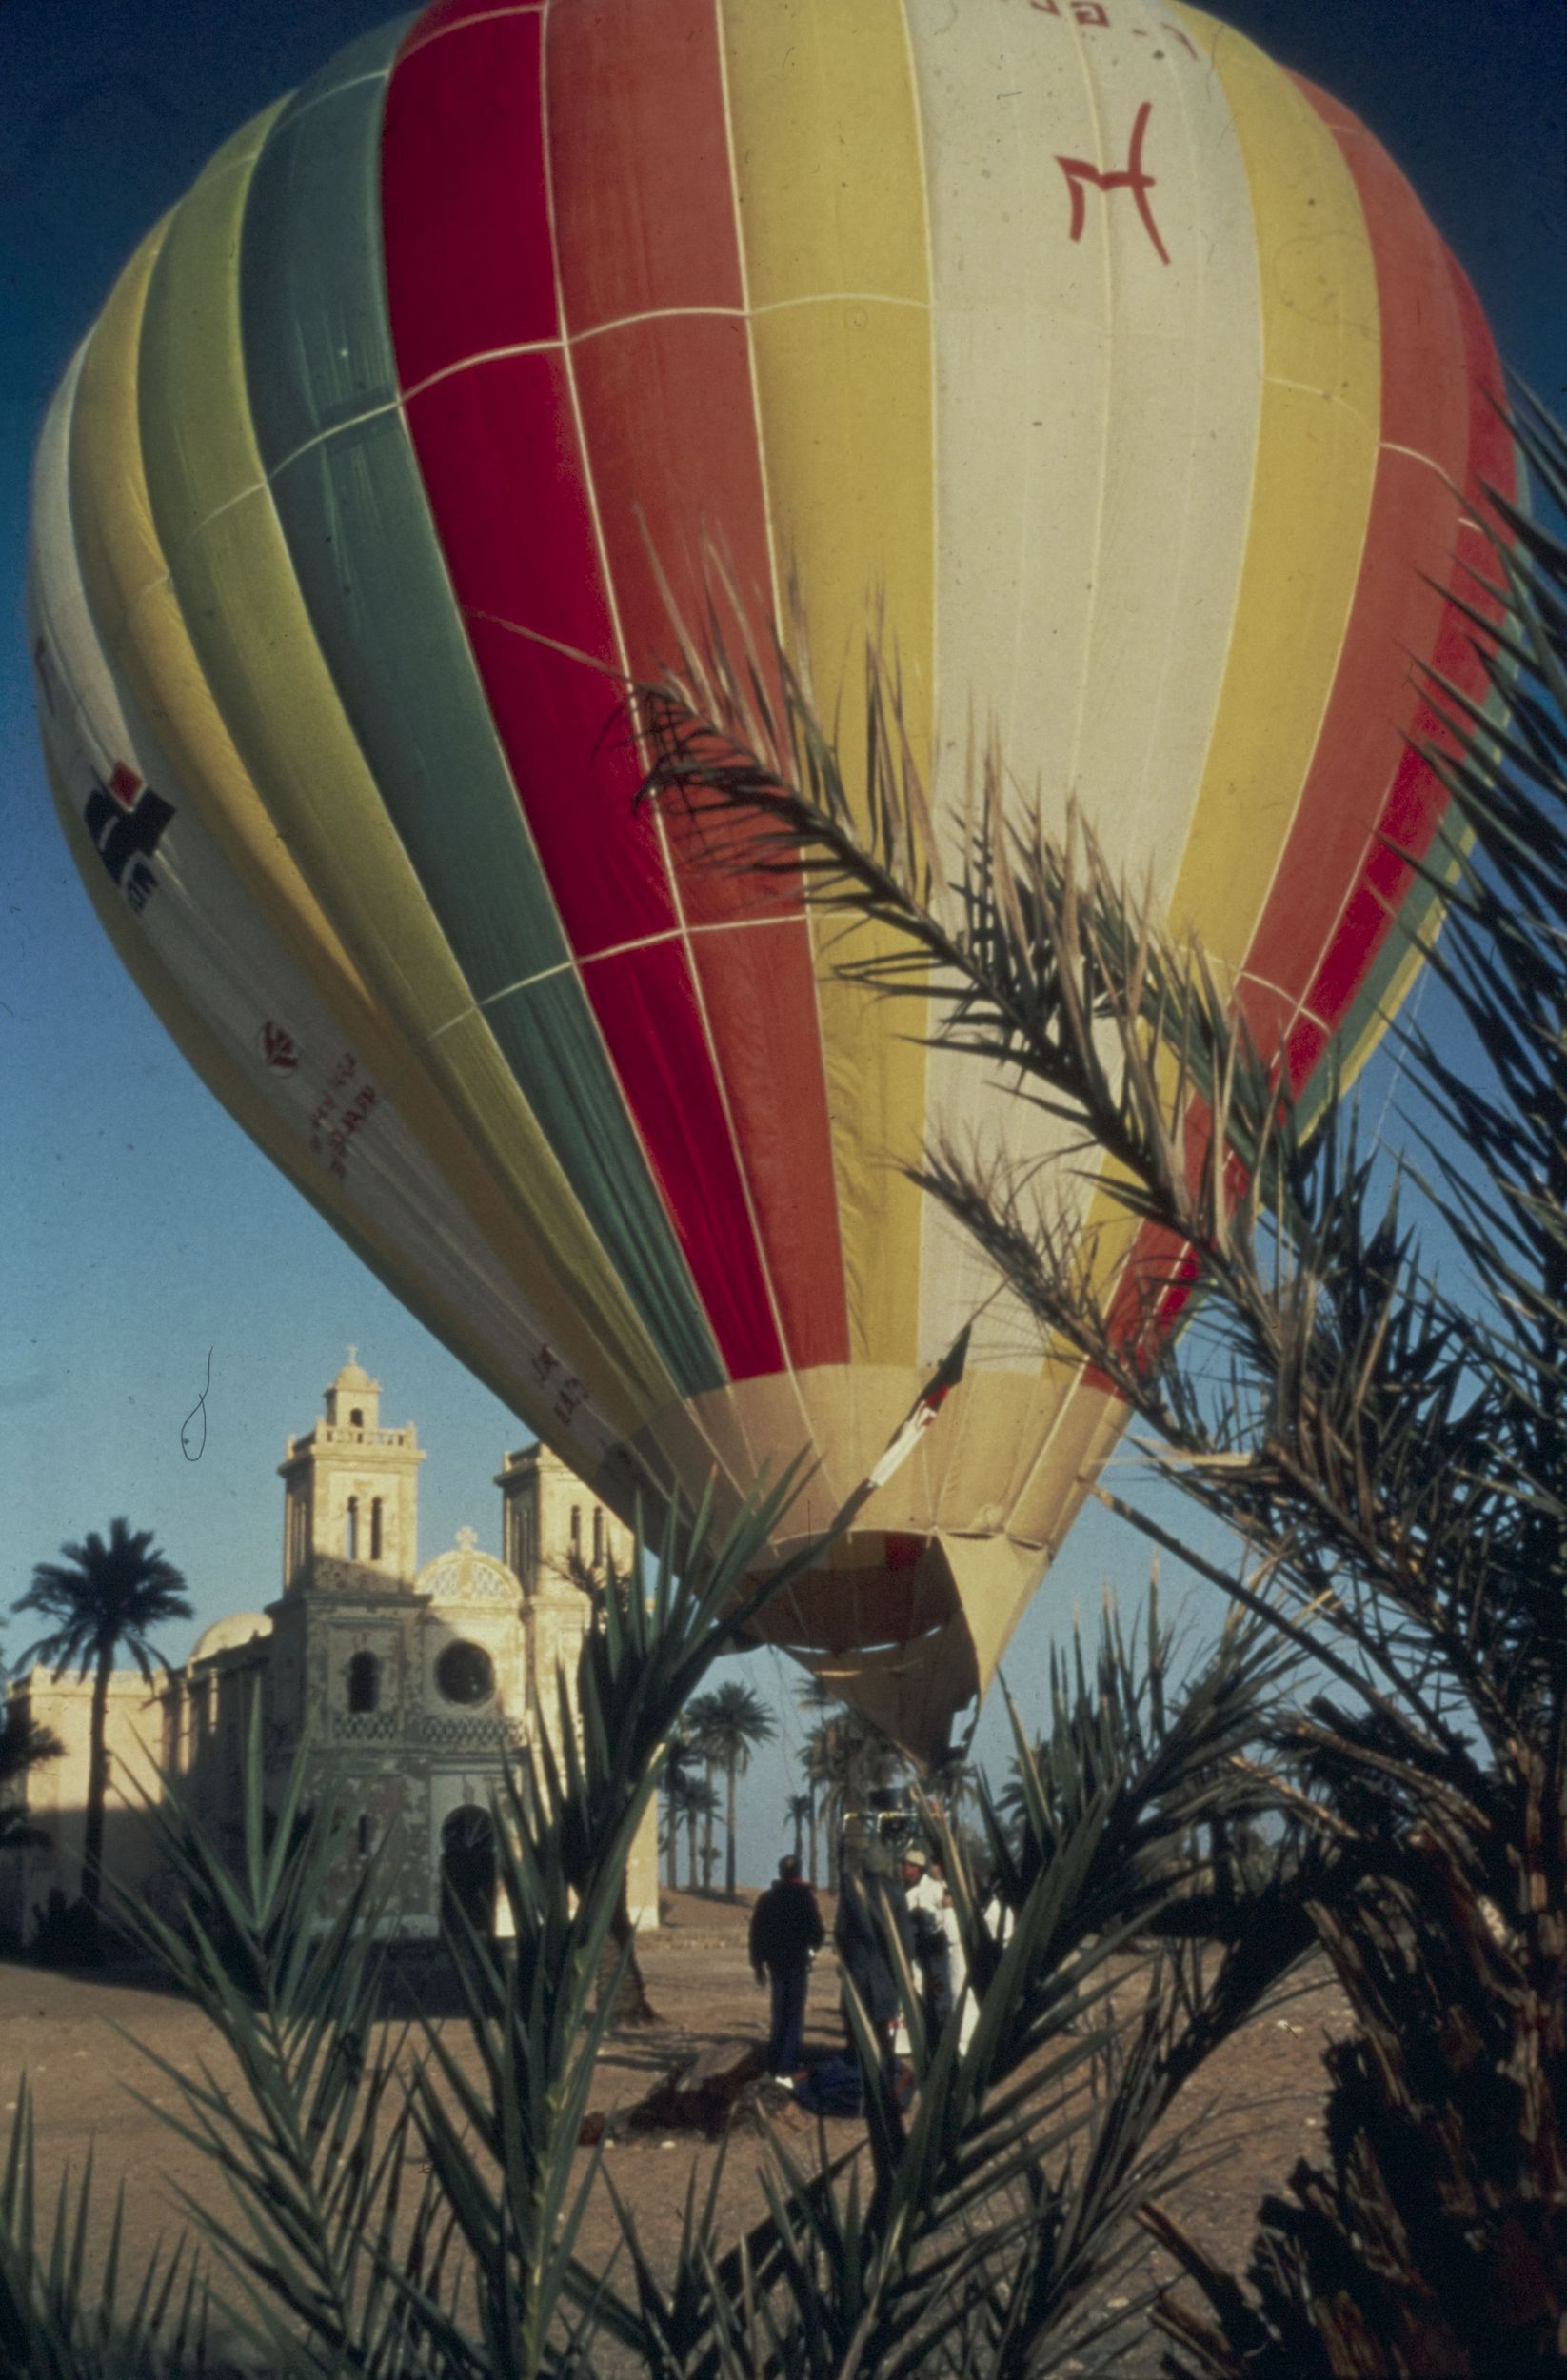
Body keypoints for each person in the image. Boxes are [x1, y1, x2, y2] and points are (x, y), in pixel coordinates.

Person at [835, 1830, 916, 2085]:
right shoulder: (896, 1891)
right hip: (887, 1970)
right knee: (884, 2022)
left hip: (859, 1967)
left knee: (857, 2019)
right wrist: (906, 1966)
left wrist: (847, 1958)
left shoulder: (852, 1890)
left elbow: (840, 1931)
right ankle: (885, 2066)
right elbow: (905, 1937)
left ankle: (855, 2066)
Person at [749, 1853, 824, 2080]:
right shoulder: (805, 1898)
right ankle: (787, 2064)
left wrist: (757, 1964)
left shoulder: (767, 1899)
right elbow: (817, 1932)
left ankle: (774, 2059)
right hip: (796, 1963)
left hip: (775, 1963)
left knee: (779, 2012)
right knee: (794, 2014)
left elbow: (756, 1933)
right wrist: (811, 1949)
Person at [903, 1853, 954, 2039]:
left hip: (937, 1948)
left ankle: (942, 2033)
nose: (905, 1869)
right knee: (924, 1991)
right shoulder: (910, 1892)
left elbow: (946, 1914)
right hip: (920, 1949)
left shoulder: (937, 1888)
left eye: (909, 1866)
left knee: (939, 1992)